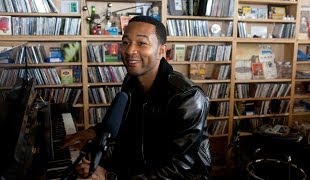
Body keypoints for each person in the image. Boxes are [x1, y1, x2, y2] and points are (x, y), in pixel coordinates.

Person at [63, 15, 211, 180]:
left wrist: (110, 176)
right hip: (138, 168)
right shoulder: (131, 81)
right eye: (126, 42)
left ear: (161, 51)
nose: (130, 50)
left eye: (141, 43)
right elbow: (123, 123)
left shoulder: (187, 97)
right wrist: (93, 133)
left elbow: (179, 168)